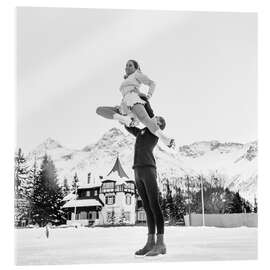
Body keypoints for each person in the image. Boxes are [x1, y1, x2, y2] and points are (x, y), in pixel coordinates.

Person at [123, 99, 167, 257]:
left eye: (159, 120)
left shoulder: (155, 132)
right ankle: (150, 243)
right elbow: (129, 126)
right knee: (147, 208)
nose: (156, 119)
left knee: (154, 205)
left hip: (148, 169)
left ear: (160, 126)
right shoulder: (141, 132)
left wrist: (144, 101)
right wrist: (125, 115)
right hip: (137, 171)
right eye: (157, 118)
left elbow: (149, 114)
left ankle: (160, 243)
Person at [96, 59, 175, 148]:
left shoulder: (137, 74)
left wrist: (148, 96)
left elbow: (152, 83)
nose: (127, 67)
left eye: (130, 65)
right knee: (99, 110)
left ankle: (165, 139)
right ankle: (125, 119)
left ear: (136, 68)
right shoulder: (127, 78)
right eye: (126, 65)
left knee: (145, 120)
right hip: (124, 104)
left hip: (133, 98)